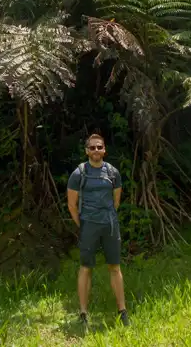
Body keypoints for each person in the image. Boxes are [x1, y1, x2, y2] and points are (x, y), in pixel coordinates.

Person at [66, 133, 129, 327]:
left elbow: (116, 201)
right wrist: (84, 224)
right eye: (92, 148)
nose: (96, 151)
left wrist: (106, 217)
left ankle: (122, 311)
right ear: (86, 151)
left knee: (115, 267)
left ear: (104, 150)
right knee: (86, 268)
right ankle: (83, 313)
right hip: (88, 225)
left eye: (99, 147)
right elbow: (71, 205)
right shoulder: (79, 174)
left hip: (110, 225)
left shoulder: (113, 173)